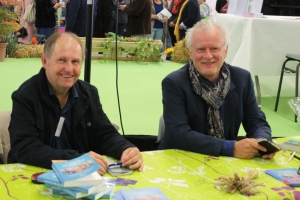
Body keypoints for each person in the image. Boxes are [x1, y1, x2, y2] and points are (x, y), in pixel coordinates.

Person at [8, 32, 143, 175]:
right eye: (62, 60)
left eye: (75, 62)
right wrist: (76, 160)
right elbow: (24, 148)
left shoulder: (89, 93)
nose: (69, 69)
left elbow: (104, 133)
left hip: (80, 179)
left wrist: (125, 148)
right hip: (35, 177)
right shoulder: (25, 96)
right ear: (44, 61)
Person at [158, 20, 275, 159]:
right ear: (190, 52)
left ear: (225, 51)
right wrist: (230, 148)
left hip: (225, 160)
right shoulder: (174, 83)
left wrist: (262, 142)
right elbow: (178, 134)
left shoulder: (242, 78)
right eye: (201, 49)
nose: (208, 56)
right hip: (182, 157)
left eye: (214, 48)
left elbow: (256, 120)